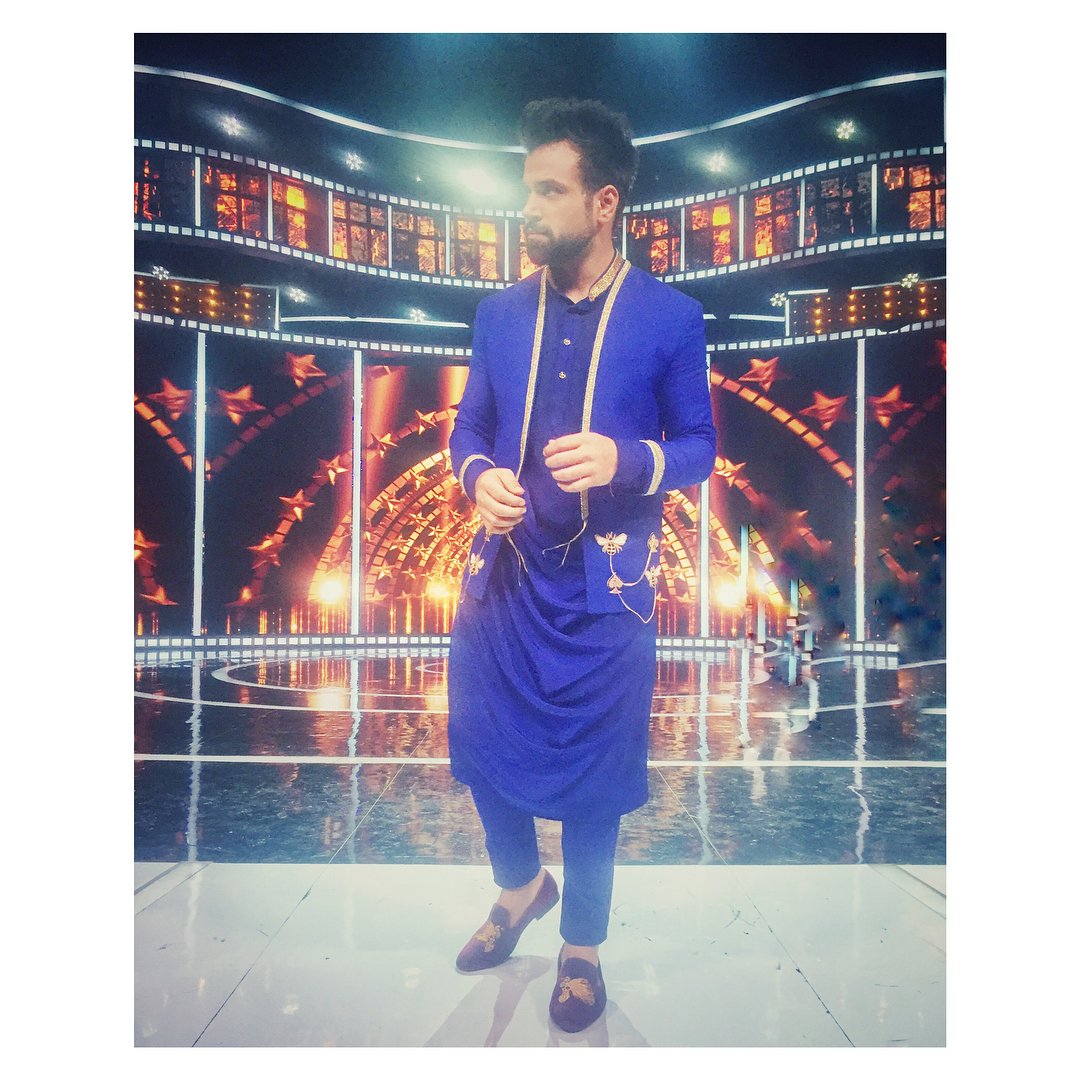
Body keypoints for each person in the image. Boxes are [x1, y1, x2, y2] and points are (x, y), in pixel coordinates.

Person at [447, 97, 717, 1033]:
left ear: (605, 203)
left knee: (597, 778)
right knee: (484, 750)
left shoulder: (671, 317)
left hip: (609, 589)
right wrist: (478, 476)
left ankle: (583, 949)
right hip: (503, 577)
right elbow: (468, 428)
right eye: (528, 188)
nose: (529, 207)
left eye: (549, 191)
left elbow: (699, 447)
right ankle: (520, 888)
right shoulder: (497, 313)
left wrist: (626, 459)